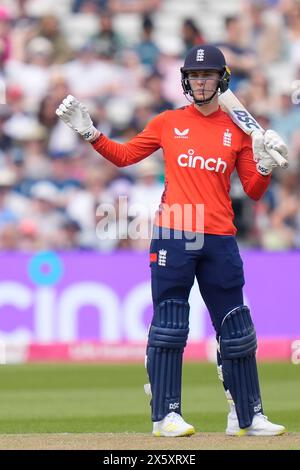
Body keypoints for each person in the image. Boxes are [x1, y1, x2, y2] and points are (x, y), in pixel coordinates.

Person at [56, 44, 288, 437]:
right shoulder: (167, 121)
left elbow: (252, 190)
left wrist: (264, 165)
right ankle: (166, 415)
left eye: (207, 76)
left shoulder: (240, 131)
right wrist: (91, 134)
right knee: (170, 324)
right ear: (185, 80)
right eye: (194, 76)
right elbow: (126, 155)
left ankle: (247, 416)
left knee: (236, 328)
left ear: (222, 79)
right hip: (176, 229)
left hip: (220, 234)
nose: (200, 83)